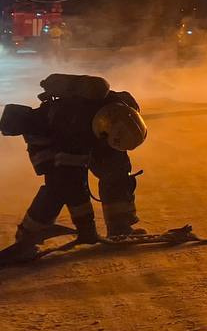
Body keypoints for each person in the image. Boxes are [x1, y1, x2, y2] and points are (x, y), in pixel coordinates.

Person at [1, 74, 147, 261]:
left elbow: (113, 145)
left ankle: (120, 226)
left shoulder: (124, 106)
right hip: (47, 138)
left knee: (116, 168)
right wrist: (86, 227)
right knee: (58, 188)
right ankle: (27, 239)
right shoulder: (72, 128)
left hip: (93, 134)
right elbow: (72, 182)